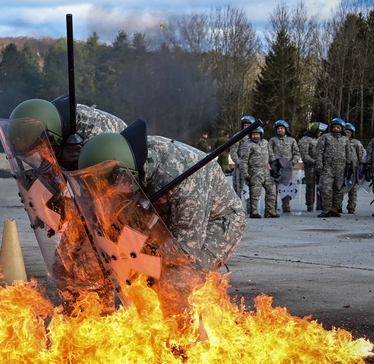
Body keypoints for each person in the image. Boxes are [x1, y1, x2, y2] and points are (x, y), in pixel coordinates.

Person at [77, 124, 247, 310]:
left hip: (215, 223)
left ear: (125, 176)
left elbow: (185, 250)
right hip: (161, 213)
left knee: (174, 281)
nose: (113, 195)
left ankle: (186, 336)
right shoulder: (128, 160)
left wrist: (138, 256)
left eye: (114, 189)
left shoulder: (183, 179)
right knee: (94, 261)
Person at [315, 118, 354, 218]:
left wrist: (349, 165)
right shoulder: (325, 137)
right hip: (327, 167)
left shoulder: (345, 140)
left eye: (338, 127)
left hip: (341, 168)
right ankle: (326, 209)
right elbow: (319, 152)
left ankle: (334, 209)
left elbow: (348, 153)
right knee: (326, 188)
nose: (336, 129)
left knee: (338, 189)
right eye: (334, 127)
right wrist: (319, 165)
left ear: (342, 128)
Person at [243, 125, 278, 218]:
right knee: (255, 193)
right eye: (253, 134)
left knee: (272, 191)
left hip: (266, 171)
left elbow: (271, 156)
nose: (255, 136)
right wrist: (246, 174)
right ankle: (253, 212)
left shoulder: (265, 143)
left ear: (261, 135)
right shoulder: (248, 145)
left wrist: (274, 167)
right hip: (254, 171)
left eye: (257, 134)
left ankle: (270, 212)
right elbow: (244, 161)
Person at [268, 119, 300, 213]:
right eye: (278, 129)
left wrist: (292, 162)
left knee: (286, 187)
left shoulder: (292, 140)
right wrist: (272, 162)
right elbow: (269, 152)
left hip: (287, 168)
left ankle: (286, 205)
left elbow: (296, 153)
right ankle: (272, 206)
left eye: (282, 128)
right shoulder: (272, 140)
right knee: (273, 188)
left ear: (286, 129)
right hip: (275, 167)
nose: (280, 130)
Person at [229, 116, 255, 199]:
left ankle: (251, 210)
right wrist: (239, 163)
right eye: (245, 125)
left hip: (253, 167)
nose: (247, 127)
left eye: (249, 125)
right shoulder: (238, 136)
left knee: (252, 191)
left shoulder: (256, 136)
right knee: (239, 190)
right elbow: (233, 152)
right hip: (240, 168)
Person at [343, 123, 366, 214]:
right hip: (341, 167)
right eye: (345, 130)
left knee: (353, 189)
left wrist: (360, 167)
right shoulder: (340, 141)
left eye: (349, 131)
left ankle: (351, 207)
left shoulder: (356, 143)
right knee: (339, 188)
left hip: (353, 168)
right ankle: (337, 206)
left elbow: (361, 155)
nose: (347, 132)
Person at [298, 123, 320, 213]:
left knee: (323, 186)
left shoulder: (319, 139)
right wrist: (314, 162)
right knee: (310, 186)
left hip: (321, 166)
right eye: (319, 131)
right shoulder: (305, 140)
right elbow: (304, 155)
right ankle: (310, 205)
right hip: (310, 167)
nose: (320, 133)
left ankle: (321, 205)